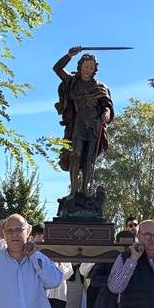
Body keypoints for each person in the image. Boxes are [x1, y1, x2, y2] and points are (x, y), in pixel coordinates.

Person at [53, 46, 115, 200]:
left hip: (94, 125)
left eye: (91, 68)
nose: (88, 69)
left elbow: (107, 105)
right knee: (76, 155)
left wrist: (106, 114)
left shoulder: (100, 86)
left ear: (95, 70)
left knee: (89, 158)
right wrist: (69, 55)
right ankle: (73, 192)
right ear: (80, 66)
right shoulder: (72, 81)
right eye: (86, 66)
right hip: (78, 124)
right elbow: (57, 68)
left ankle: (85, 191)